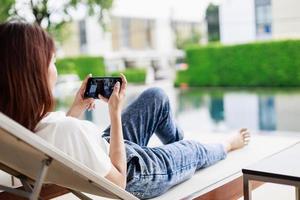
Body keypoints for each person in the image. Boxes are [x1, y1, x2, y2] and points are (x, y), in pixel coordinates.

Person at [0, 22, 250, 199]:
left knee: (156, 96)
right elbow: (119, 181)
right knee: (193, 149)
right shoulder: (62, 129)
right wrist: (114, 113)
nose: (55, 69)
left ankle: (179, 154)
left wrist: (76, 107)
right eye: (52, 62)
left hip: (112, 150)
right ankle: (221, 146)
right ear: (32, 73)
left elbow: (56, 146)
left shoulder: (19, 124)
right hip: (138, 172)